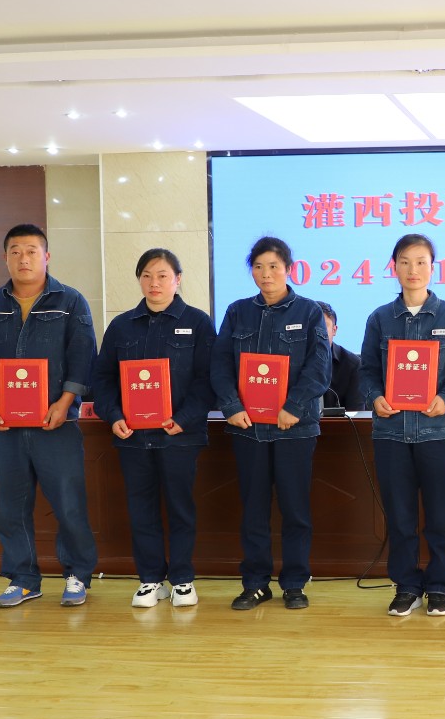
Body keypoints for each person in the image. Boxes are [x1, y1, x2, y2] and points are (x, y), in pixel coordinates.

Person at [0, 223, 99, 608]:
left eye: (32, 251)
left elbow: (83, 356)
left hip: (56, 424)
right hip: (6, 426)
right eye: (16, 252)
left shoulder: (70, 301)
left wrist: (65, 402)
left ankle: (77, 574)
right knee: (11, 506)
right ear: (5, 258)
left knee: (68, 503)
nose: (24, 259)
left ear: (46, 256)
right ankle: (23, 578)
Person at [358, 234, 445, 618]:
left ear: (433, 267)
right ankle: (406, 586)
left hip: (437, 432)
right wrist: (375, 396)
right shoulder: (379, 319)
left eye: (421, 261)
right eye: (405, 262)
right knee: (400, 517)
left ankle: (439, 587)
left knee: (441, 517)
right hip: (391, 433)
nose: (413, 269)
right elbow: (366, 371)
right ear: (394, 267)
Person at [211, 236, 331, 612]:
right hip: (248, 428)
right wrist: (231, 406)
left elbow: (319, 366)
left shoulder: (309, 312)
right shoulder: (237, 312)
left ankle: (294, 583)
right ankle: (255, 584)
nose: (266, 274)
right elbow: (219, 364)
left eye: (274, 266)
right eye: (259, 267)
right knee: (253, 510)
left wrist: (294, 406)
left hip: (294, 428)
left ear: (289, 269)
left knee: (295, 510)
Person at [92, 248, 216, 608]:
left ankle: (182, 579)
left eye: (162, 275)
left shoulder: (198, 322)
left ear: (178, 280)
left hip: (180, 436)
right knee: (141, 510)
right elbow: (102, 379)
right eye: (146, 275)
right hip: (133, 437)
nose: (154, 283)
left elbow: (208, 379)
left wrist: (185, 418)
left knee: (180, 508)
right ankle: (150, 580)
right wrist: (113, 415)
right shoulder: (122, 326)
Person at [316, 301, 365, 412]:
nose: (316, 331)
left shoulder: (353, 365)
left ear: (334, 330)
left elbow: (356, 414)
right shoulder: (292, 360)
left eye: (323, 325)